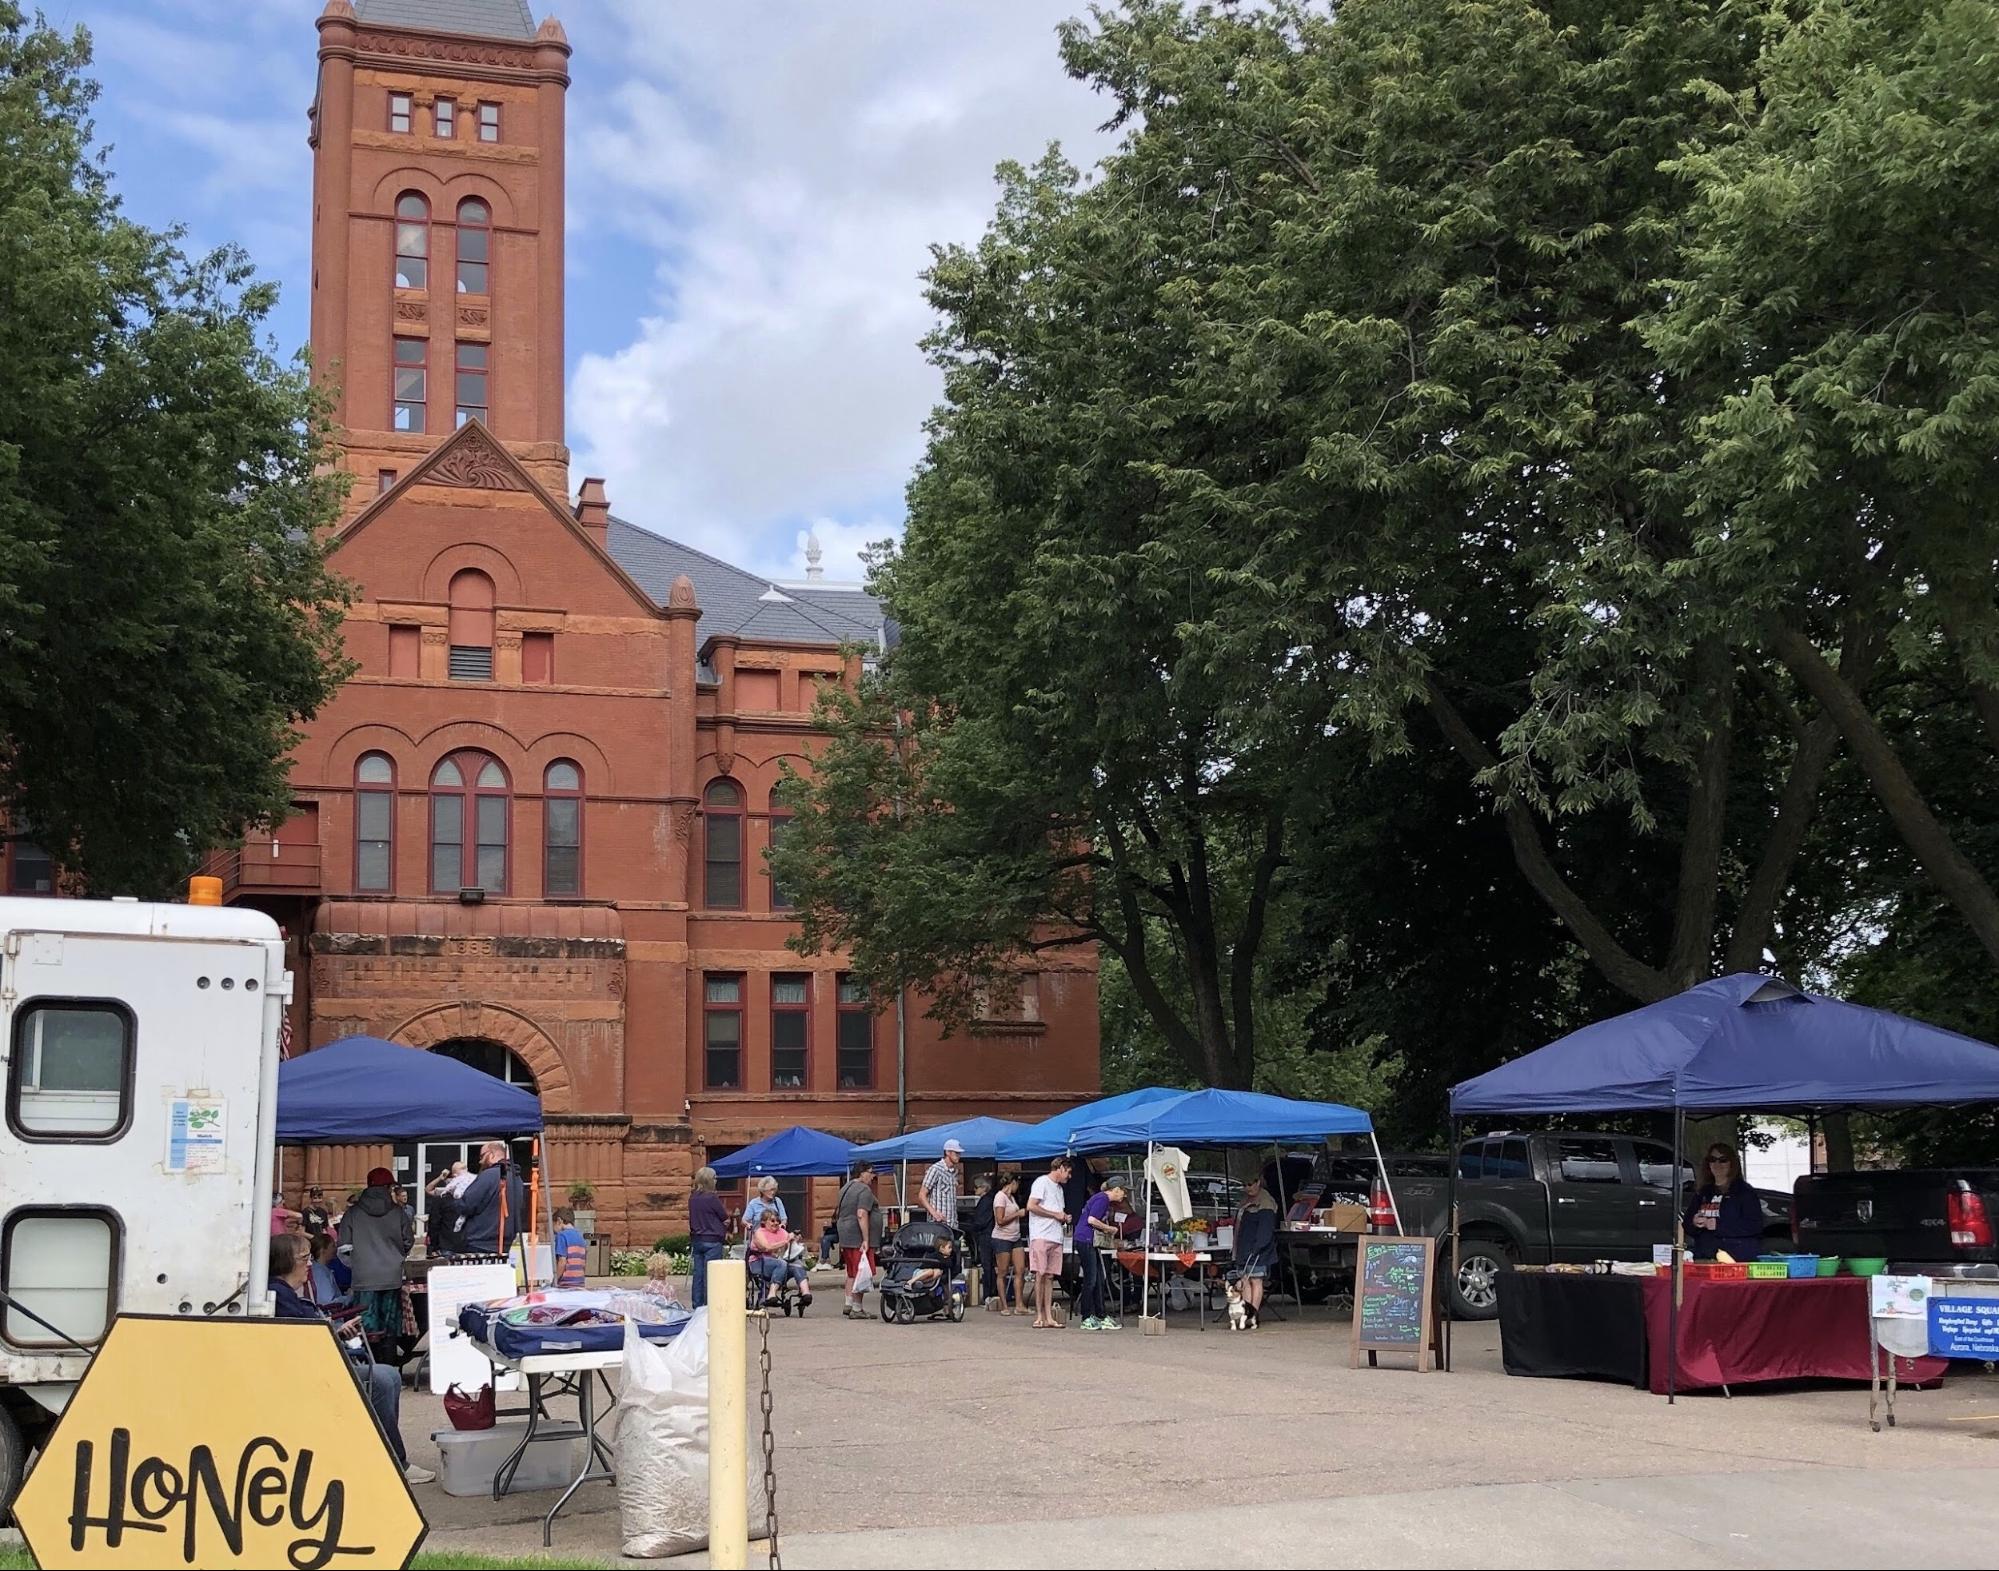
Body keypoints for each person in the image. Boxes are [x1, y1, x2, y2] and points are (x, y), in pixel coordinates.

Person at [269, 1233, 434, 1485]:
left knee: (388, 1375)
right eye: (304, 1258)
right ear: (286, 1262)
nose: (310, 1264)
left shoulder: (287, 1293)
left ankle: (388, 1453)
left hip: (316, 1360)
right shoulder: (280, 1295)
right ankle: (393, 1460)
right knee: (381, 1379)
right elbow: (304, 1336)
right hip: (308, 1370)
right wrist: (334, 1331)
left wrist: (335, 1330)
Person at [340, 1165, 414, 1341]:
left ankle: (369, 1365)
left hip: (363, 1277)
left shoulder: (352, 1213)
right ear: (389, 1188)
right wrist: (395, 1258)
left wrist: (357, 1264)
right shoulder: (398, 1213)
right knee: (390, 1330)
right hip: (391, 1276)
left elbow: (343, 1248)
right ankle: (390, 1364)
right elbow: (408, 1241)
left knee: (364, 1329)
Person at [1684, 1141, 1763, 1263]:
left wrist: (1718, 1225)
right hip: (1705, 1254)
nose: (1717, 1164)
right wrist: (1695, 1223)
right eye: (1712, 1159)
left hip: (1736, 1256)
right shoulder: (1703, 1192)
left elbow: (1754, 1225)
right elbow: (1687, 1225)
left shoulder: (1744, 1192)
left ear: (1732, 1163)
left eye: (1723, 1160)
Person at [1075, 1179, 1129, 1331]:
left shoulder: (1102, 1199)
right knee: (1090, 1279)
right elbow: (1092, 1220)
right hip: (1086, 1239)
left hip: (1091, 1241)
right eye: (1124, 1192)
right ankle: (1086, 1317)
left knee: (1099, 1277)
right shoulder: (1103, 1199)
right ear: (1117, 1189)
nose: (1124, 1196)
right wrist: (1109, 1228)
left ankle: (1100, 1314)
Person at [455, 1141, 526, 1256]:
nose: (480, 1161)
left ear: (492, 1155)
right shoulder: (517, 1179)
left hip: (481, 1242)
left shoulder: (489, 1175)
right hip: (506, 1243)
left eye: (482, 1156)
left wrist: (455, 1198)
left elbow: (466, 1204)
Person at [1026, 1156, 1073, 1329]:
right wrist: (1055, 1215)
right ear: (1060, 1168)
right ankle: (1039, 1315)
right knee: (1040, 1273)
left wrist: (1063, 1217)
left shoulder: (1059, 1189)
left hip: (1055, 1236)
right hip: (1041, 1234)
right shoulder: (1041, 1182)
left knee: (1050, 1275)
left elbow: (1056, 1211)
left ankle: (1048, 1316)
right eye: (1068, 1172)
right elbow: (1031, 1205)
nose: (1069, 1176)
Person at [835, 1161, 880, 1319]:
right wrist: (866, 1239)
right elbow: (861, 1213)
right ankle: (857, 1308)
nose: (872, 1176)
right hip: (857, 1237)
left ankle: (848, 1303)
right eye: (870, 1172)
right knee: (862, 1271)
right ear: (862, 1173)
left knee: (851, 1271)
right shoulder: (864, 1190)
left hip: (845, 1234)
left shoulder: (845, 1188)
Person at [1233, 1175, 1280, 1329]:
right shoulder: (1244, 1201)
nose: (1247, 1188)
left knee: (1256, 1280)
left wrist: (1259, 1247)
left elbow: (1266, 1230)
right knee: (1245, 1280)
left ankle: (1254, 1315)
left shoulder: (1266, 1202)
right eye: (1244, 1185)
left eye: (1250, 1184)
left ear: (1258, 1182)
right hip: (1244, 1247)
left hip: (1259, 1248)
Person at [689, 1166, 728, 1310]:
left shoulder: (692, 1198)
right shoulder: (712, 1198)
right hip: (712, 1239)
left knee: (698, 1274)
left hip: (697, 1239)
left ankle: (697, 1306)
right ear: (710, 1181)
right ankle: (709, 1305)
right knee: (711, 1275)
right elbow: (724, 1217)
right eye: (715, 1178)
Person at [990, 1173, 1026, 1316]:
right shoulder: (1000, 1197)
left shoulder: (1011, 1198)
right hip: (1002, 1238)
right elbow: (1000, 1220)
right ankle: (1004, 1305)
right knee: (1003, 1271)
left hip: (1015, 1237)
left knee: (1020, 1269)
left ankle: (1019, 1304)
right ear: (1012, 1183)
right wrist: (1017, 1214)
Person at [969, 1174, 1000, 1311]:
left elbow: (980, 1221)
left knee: (987, 1265)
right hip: (990, 1234)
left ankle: (989, 1294)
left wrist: (969, 1227)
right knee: (990, 1266)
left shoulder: (985, 1201)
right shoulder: (990, 1199)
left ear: (983, 1188)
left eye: (976, 1188)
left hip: (986, 1235)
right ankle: (992, 1293)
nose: (974, 1190)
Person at [921, 1139, 965, 1230]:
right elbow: (922, 1195)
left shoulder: (953, 1173)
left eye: (959, 1153)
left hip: (952, 1224)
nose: (959, 1156)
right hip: (938, 1224)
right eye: (956, 1153)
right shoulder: (935, 1169)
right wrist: (934, 1214)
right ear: (948, 1152)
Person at [306, 1231, 350, 1314]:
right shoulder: (320, 1273)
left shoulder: (322, 1269)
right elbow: (327, 1302)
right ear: (323, 1250)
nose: (335, 1249)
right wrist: (349, 1297)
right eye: (333, 1246)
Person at [553, 1206, 588, 1288]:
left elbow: (562, 1262)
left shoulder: (562, 1236)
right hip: (580, 1282)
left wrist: (555, 1280)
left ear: (559, 1221)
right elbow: (583, 1262)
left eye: (553, 1225)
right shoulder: (580, 1237)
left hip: (566, 1283)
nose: (553, 1230)